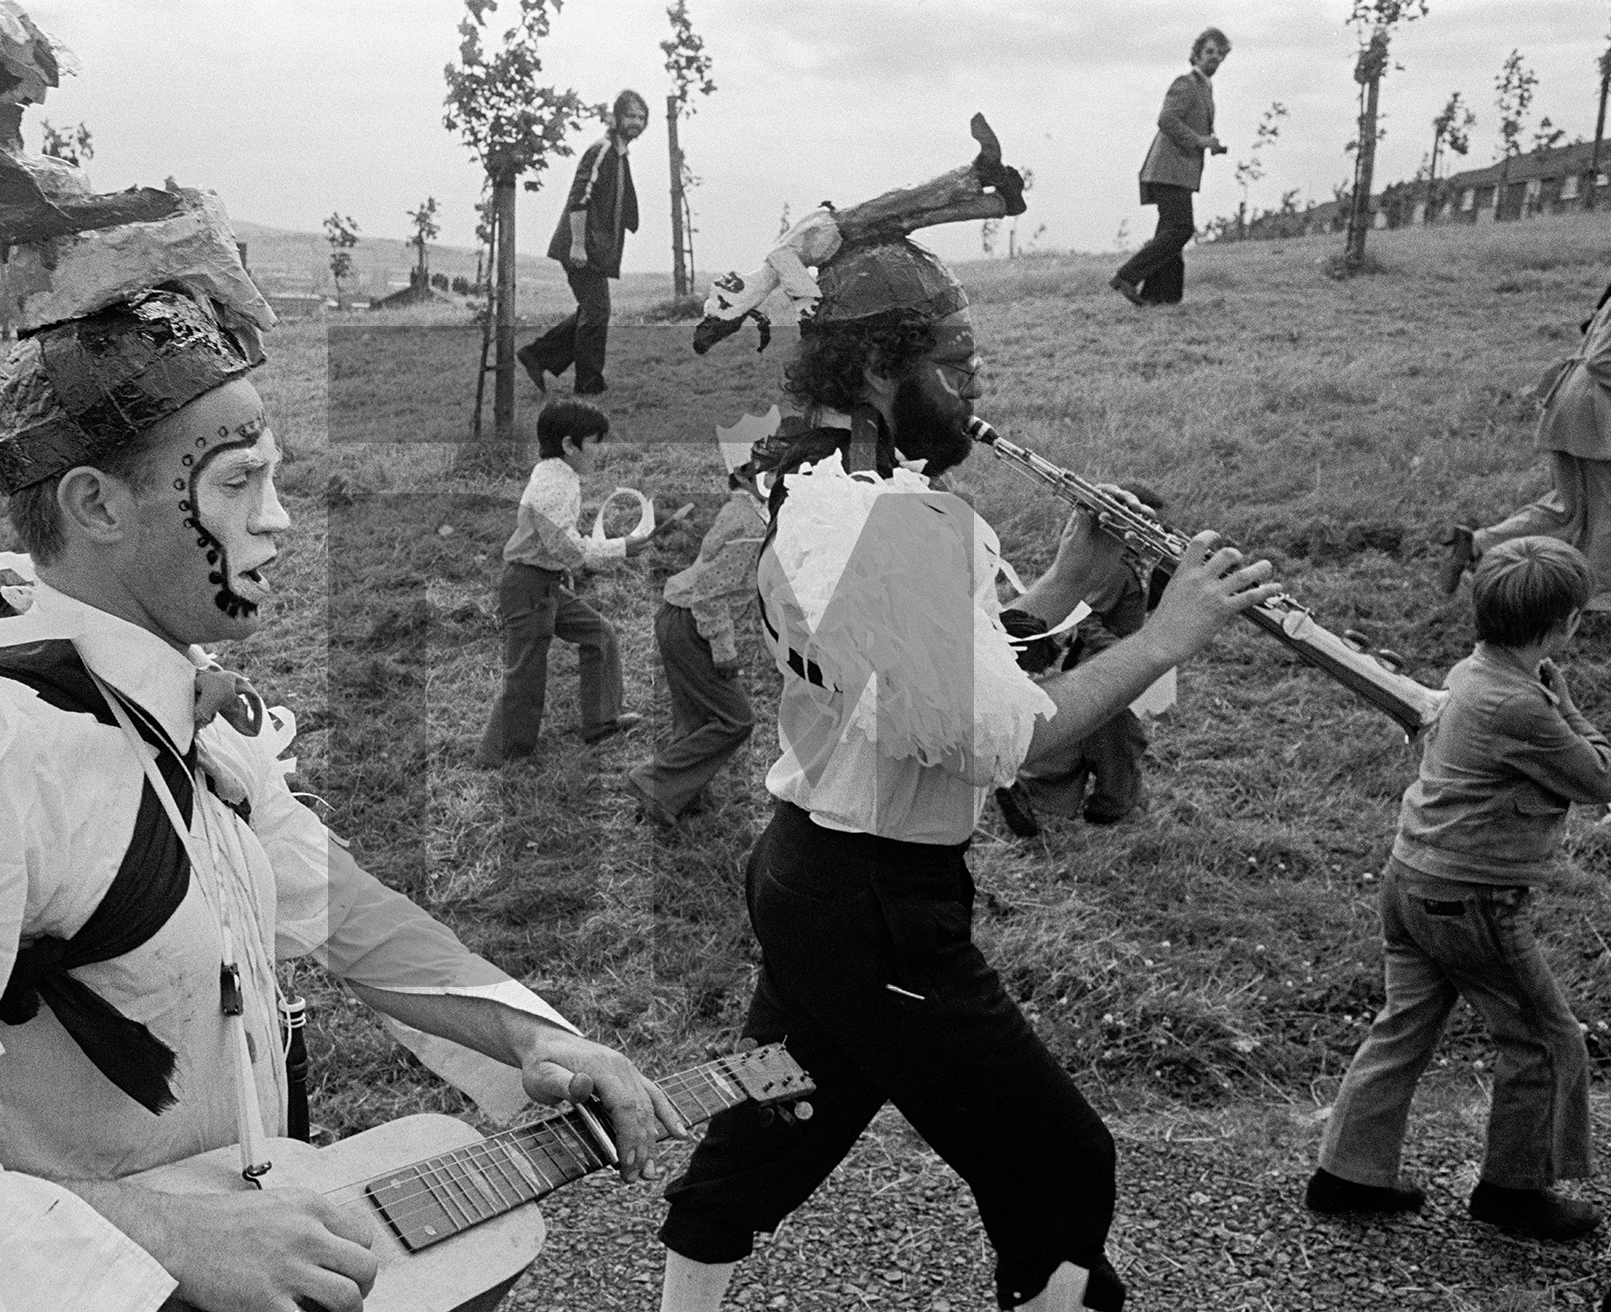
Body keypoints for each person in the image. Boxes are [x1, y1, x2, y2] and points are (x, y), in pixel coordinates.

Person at [0, 11, 687, 1311]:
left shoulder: (184, 726)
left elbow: (342, 911)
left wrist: (545, 1042)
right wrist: (147, 1245)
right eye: (240, 481)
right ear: (98, 508)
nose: (279, 519)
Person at [657, 231, 1278, 1312]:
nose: (974, 389)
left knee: (775, 1122)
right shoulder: (892, 517)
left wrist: (1072, 580)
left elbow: (945, 666)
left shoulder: (825, 484)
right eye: (953, 363)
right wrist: (1168, 636)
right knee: (1061, 1161)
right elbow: (1010, 738)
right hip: (876, 903)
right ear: (874, 371)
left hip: (815, 877)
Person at [1307, 537, 1611, 1242]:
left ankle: (1347, 1174)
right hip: (1472, 898)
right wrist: (1568, 707)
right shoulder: (1522, 705)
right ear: (1563, 623)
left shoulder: (1472, 672)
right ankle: (1514, 1190)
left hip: (1412, 880)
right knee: (1544, 1037)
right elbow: (1600, 779)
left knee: (1404, 1025)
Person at [477, 398, 648, 765]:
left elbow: (557, 546)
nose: (599, 452)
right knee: (525, 671)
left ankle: (601, 720)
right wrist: (622, 548)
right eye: (594, 443)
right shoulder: (556, 484)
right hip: (529, 587)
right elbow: (567, 545)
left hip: (545, 583)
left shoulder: (556, 473)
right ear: (570, 445)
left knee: (599, 633)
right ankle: (502, 755)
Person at [999, 486, 1171, 836]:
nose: (1161, 537)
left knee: (1076, 738)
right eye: (1154, 530)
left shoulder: (1138, 568)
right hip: (1102, 663)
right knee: (1119, 739)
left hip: (1109, 658)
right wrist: (1128, 648)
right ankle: (1110, 806)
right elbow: (1089, 621)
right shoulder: (1119, 571)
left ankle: (1029, 787)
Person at [1440, 281, 1611, 608]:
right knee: (1603, 513)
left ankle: (1479, 545)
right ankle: (1596, 600)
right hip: (1594, 414)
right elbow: (1602, 361)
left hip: (1576, 406)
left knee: (1566, 508)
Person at [624, 456, 768, 826]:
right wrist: (723, 648)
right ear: (741, 475)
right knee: (736, 719)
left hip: (677, 615)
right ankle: (653, 781)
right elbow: (710, 593)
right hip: (693, 622)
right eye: (766, 469)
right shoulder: (749, 522)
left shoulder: (743, 510)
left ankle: (678, 798)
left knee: (694, 719)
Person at [517, 90, 646, 396]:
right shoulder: (601, 150)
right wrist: (577, 244)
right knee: (597, 309)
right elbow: (580, 196)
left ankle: (538, 355)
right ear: (615, 118)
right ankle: (588, 384)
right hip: (581, 246)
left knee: (593, 309)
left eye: (641, 117)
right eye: (630, 116)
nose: (636, 123)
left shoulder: (618, 154)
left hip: (594, 248)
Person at [1110, 28, 1230, 308]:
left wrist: (1209, 144)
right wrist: (1200, 140)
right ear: (1197, 55)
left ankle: (1161, 296)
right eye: (1209, 52)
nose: (1214, 58)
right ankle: (1126, 276)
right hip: (1168, 169)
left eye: (1219, 53)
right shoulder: (1186, 84)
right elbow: (1166, 120)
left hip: (1179, 171)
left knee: (1170, 232)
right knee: (1180, 228)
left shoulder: (1205, 89)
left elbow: (1188, 127)